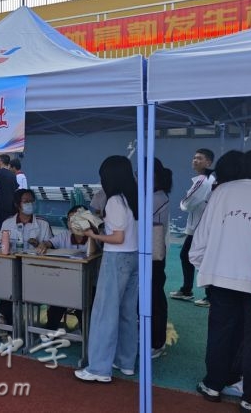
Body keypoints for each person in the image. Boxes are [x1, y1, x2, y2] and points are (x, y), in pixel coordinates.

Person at [190, 145, 251, 413]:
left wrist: (206, 267)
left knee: (220, 333)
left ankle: (213, 384)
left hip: (220, 278)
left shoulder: (222, 191)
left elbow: (201, 238)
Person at [75, 155, 138, 383]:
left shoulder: (114, 201)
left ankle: (99, 368)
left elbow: (117, 238)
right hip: (134, 257)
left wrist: (92, 234)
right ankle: (126, 361)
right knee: (127, 312)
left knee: (104, 313)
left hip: (116, 258)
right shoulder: (134, 197)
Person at [0, 188, 53, 326]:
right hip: (13, 270)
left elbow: (51, 249)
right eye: (26, 201)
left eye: (32, 201)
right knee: (7, 291)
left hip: (36, 270)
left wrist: (39, 245)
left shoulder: (43, 224)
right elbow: (1, 247)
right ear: (17, 204)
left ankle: (8, 322)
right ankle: (9, 323)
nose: (30, 204)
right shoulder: (8, 223)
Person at [36, 205, 90, 332]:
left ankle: (86, 333)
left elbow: (93, 252)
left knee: (84, 305)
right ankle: (50, 331)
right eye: (70, 220)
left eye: (77, 219)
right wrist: (43, 244)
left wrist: (90, 233)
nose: (73, 223)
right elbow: (49, 243)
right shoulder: (65, 236)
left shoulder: (93, 237)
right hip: (65, 283)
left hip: (87, 284)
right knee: (57, 303)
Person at [171, 148, 215, 305]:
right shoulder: (207, 179)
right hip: (200, 226)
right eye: (194, 157)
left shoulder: (202, 181)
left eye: (200, 158)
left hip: (199, 227)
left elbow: (187, 204)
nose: (195, 160)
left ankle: (206, 294)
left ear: (208, 162)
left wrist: (182, 204)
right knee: (188, 256)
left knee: (193, 257)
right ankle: (188, 290)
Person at [151, 159, 173, 359]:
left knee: (154, 297)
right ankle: (153, 337)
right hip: (152, 253)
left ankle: (157, 342)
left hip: (153, 254)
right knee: (152, 296)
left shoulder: (157, 197)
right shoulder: (155, 195)